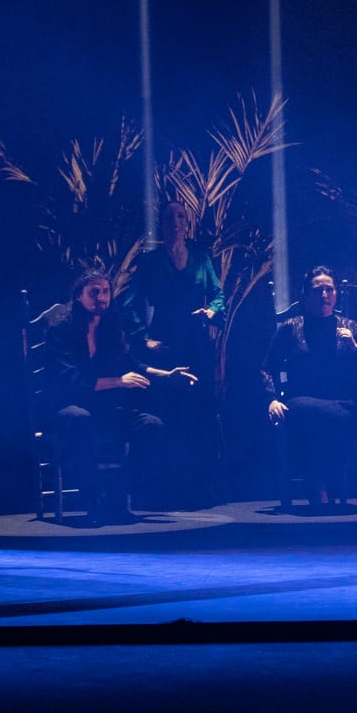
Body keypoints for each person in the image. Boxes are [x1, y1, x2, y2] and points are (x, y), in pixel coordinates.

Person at [44, 269, 195, 520]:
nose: (101, 297)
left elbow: (130, 363)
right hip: (67, 406)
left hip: (104, 408)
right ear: (79, 296)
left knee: (150, 425)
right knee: (80, 419)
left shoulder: (110, 326)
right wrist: (117, 381)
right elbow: (69, 381)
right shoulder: (61, 328)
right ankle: (93, 501)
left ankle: (120, 495)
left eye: (105, 291)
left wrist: (165, 375)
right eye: (94, 292)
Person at [129, 200, 226, 503]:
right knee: (169, 414)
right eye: (170, 216)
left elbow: (218, 294)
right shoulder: (150, 261)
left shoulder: (200, 257)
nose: (176, 221)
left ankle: (201, 489)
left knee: (200, 413)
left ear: (187, 222)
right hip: (165, 343)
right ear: (162, 223)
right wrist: (143, 337)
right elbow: (129, 302)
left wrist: (211, 311)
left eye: (181, 216)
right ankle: (168, 490)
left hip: (197, 343)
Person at [262, 266, 357, 506]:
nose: (325, 295)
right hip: (302, 399)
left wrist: (354, 347)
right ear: (306, 295)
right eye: (318, 290)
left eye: (329, 289)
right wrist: (272, 399)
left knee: (338, 417)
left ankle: (325, 485)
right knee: (312, 413)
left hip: (342, 401)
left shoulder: (350, 327)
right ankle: (324, 486)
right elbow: (267, 367)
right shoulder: (291, 327)